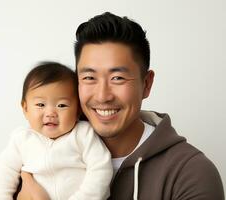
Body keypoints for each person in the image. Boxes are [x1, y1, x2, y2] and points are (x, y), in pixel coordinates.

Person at [16, 12, 224, 200]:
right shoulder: (36, 149)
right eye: (89, 77)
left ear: (146, 84)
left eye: (117, 78)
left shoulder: (190, 173)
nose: (103, 96)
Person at [0, 62, 113, 200]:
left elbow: (101, 168)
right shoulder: (22, 139)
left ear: (78, 110)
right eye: (40, 105)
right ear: (25, 108)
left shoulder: (83, 134)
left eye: (61, 105)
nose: (50, 113)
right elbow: (4, 172)